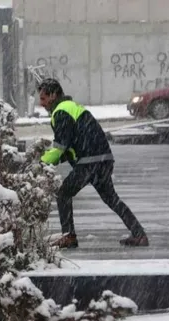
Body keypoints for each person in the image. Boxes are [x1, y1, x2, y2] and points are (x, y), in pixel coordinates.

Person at [37, 78, 148, 249]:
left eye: (43, 98)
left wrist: (39, 163)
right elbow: (71, 145)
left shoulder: (61, 112)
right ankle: (139, 234)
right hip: (103, 159)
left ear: (53, 95)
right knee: (112, 199)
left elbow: (60, 147)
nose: (41, 103)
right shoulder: (71, 107)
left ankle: (69, 236)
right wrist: (59, 157)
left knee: (63, 194)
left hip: (90, 162)